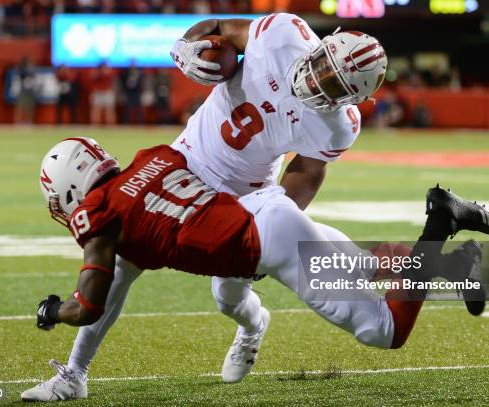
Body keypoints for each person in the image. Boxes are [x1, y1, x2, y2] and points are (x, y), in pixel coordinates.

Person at [22, 13, 390, 400]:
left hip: (246, 193)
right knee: (120, 257)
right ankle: (74, 374)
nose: (318, 81)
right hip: (185, 160)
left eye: (335, 85)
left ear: (353, 99)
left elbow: (307, 171)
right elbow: (219, 28)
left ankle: (253, 326)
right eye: (324, 68)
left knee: (227, 297)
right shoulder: (283, 34)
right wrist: (186, 44)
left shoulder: (339, 125)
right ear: (323, 46)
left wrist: (279, 215)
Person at [22, 138, 489, 401]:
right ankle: (456, 263)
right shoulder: (152, 159)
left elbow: (89, 305)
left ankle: (441, 219)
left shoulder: (101, 214)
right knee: (366, 271)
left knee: (385, 328)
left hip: (261, 240)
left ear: (69, 190)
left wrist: (50, 312)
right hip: (259, 208)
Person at [14, 57, 37, 125]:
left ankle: (29, 121)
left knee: (29, 107)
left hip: (30, 90)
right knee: (20, 106)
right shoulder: (21, 69)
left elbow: (34, 78)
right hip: (22, 90)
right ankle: (18, 121)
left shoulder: (32, 70)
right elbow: (19, 77)